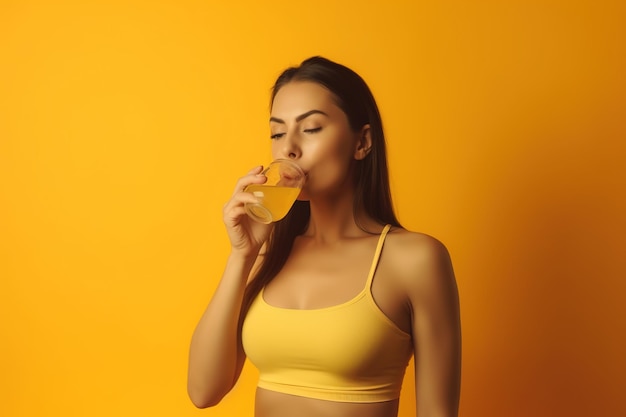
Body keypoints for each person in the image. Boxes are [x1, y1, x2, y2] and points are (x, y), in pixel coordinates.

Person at [187, 56, 461, 417]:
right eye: (277, 133)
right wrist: (241, 255)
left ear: (362, 142)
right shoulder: (268, 254)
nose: (289, 149)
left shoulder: (415, 259)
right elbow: (203, 391)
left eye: (311, 128)